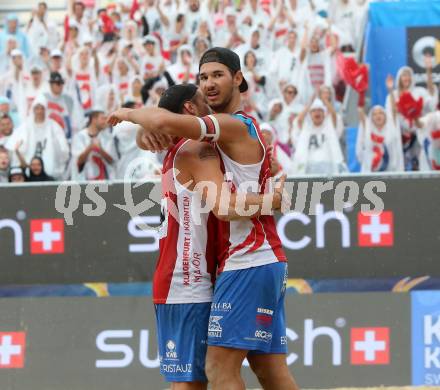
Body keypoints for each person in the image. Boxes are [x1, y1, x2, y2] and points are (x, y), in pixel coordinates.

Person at [109, 47, 298, 390]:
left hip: (246, 261)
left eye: (217, 76)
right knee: (270, 372)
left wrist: (126, 112)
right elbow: (169, 127)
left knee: (217, 369)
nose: (209, 83)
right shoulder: (214, 137)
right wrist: (144, 134)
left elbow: (223, 206)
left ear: (239, 79)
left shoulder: (232, 127)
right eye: (204, 78)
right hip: (253, 259)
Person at [5, 96, 69, 180]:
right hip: (29, 173)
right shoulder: (25, 127)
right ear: (33, 110)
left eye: (42, 108)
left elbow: (63, 150)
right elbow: (13, 147)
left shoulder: (54, 126)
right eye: (37, 108)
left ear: (45, 110)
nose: (39, 111)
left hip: (50, 173)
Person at [292, 98, 347, 175]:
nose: (317, 112)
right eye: (314, 111)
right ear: (310, 115)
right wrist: (310, 103)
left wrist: (325, 100)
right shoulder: (306, 129)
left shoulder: (329, 127)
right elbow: (299, 120)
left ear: (324, 114)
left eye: (320, 110)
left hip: (328, 166)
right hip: (309, 166)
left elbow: (334, 115)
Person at [71, 107, 117, 180]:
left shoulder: (108, 137)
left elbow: (112, 161)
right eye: (103, 118)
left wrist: (100, 149)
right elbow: (78, 162)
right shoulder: (79, 137)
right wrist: (90, 147)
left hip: (104, 184)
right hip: (84, 185)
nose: (106, 121)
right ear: (94, 119)